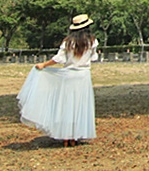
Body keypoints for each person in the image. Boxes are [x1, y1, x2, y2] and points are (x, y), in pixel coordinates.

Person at [17, 14, 99, 146]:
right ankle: (75, 136)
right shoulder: (92, 42)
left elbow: (59, 59)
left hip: (69, 75)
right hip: (83, 76)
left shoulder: (68, 42)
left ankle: (66, 136)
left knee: (66, 105)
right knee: (79, 105)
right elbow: (93, 58)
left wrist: (44, 65)